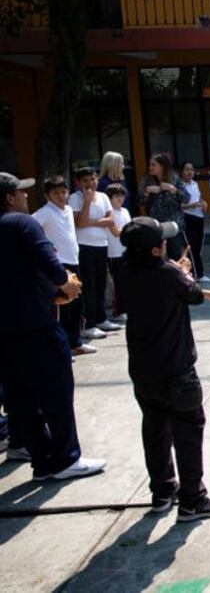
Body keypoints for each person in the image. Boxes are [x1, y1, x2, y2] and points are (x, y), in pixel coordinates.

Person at [119, 216, 210, 521]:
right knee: (188, 433)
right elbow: (192, 295)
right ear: (155, 250)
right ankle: (193, 500)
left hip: (143, 370)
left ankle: (162, 492)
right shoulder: (168, 273)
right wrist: (182, 272)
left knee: (155, 431)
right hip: (177, 370)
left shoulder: (125, 270)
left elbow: (163, 285)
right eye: (162, 242)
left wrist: (176, 270)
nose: (166, 243)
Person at [1, 172, 103, 481]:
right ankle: (66, 457)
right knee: (56, 391)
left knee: (20, 396)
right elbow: (49, 263)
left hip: (5, 328)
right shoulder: (22, 223)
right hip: (37, 323)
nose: (25, 196)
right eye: (20, 192)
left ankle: (42, 460)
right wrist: (65, 283)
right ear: (9, 198)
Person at [34, 176, 94, 354]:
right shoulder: (45, 212)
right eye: (56, 193)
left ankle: (75, 343)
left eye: (63, 192)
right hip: (59, 263)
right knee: (61, 307)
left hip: (73, 260)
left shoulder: (68, 209)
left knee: (76, 304)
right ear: (47, 195)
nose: (61, 196)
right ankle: (62, 347)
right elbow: (31, 226)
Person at [70, 167, 120, 337]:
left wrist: (91, 222)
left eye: (92, 179)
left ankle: (100, 318)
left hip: (101, 244)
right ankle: (88, 324)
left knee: (100, 283)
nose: (90, 183)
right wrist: (87, 201)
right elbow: (80, 223)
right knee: (88, 285)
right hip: (84, 245)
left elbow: (110, 220)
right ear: (78, 183)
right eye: (85, 180)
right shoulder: (75, 198)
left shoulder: (104, 196)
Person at [141, 153, 190, 261]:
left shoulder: (174, 179)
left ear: (162, 166)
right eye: (150, 164)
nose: (150, 167)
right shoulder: (147, 180)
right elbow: (139, 202)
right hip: (156, 226)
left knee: (176, 257)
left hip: (174, 225)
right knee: (158, 259)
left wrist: (174, 190)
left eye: (154, 165)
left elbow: (186, 198)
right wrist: (146, 193)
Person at [178, 162, 210, 283]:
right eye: (187, 169)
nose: (190, 172)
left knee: (198, 245)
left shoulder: (195, 184)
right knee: (190, 247)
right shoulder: (179, 186)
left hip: (198, 216)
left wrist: (203, 203)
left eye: (191, 169)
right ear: (181, 172)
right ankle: (195, 274)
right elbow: (178, 206)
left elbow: (198, 198)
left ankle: (197, 273)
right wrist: (191, 206)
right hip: (187, 217)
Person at [105, 184, 131, 322]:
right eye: (116, 196)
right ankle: (119, 311)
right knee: (118, 283)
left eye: (122, 195)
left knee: (128, 281)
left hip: (126, 251)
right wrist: (131, 230)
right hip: (114, 252)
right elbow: (115, 232)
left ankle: (128, 307)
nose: (119, 198)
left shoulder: (125, 211)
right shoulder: (108, 213)